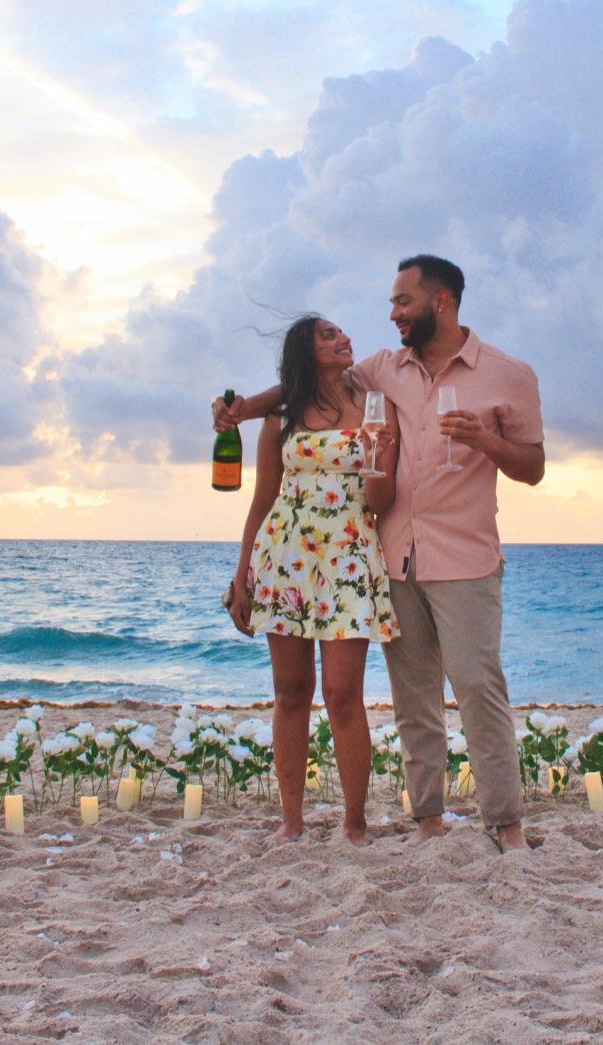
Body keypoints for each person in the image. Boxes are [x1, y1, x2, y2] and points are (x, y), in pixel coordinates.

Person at [216, 255, 544, 853]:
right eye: (391, 304)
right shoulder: (380, 372)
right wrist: (240, 411)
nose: (388, 315)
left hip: (437, 556)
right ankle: (425, 821)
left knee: (473, 688)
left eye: (401, 302)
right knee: (405, 698)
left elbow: (531, 468)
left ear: (438, 301)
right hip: (362, 557)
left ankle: (501, 824)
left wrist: (477, 441)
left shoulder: (503, 374)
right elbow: (288, 412)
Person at [227, 315, 400, 846]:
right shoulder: (281, 415)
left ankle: (354, 823)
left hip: (349, 556)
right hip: (286, 556)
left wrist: (376, 456)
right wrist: (241, 576)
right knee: (290, 690)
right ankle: (291, 822)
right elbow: (262, 500)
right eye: (329, 334)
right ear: (308, 350)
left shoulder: (376, 406)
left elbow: (381, 502)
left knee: (344, 694)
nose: (344, 338)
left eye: (342, 332)